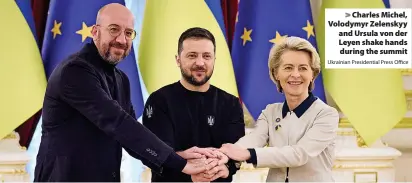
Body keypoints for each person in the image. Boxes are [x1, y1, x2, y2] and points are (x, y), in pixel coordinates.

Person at [33, 3, 216, 182]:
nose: (121, 40)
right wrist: (179, 163)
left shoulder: (122, 79)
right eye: (114, 29)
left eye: (128, 33)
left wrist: (176, 156)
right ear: (95, 32)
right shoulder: (74, 71)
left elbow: (130, 137)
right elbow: (119, 123)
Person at [219, 36, 340, 182]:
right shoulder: (270, 112)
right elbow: (254, 139)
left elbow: (299, 154)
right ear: (276, 73)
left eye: (303, 68)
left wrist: (248, 154)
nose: (295, 74)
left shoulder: (327, 114)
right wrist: (225, 156)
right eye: (288, 67)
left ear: (312, 74)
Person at [142, 27, 245, 182]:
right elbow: (152, 154)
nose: (200, 62)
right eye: (192, 56)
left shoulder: (231, 103)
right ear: (178, 59)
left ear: (214, 60)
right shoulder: (159, 101)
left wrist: (225, 168)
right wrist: (188, 168)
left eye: (207, 56)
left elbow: (237, 154)